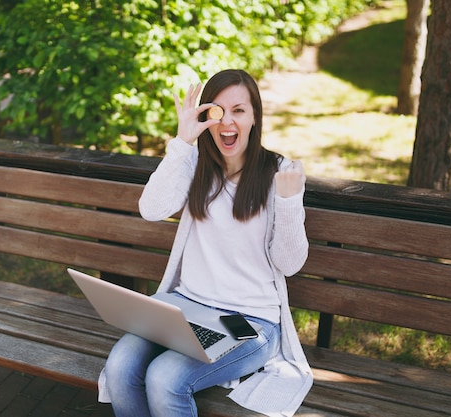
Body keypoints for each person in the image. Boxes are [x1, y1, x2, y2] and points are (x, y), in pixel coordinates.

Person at [98, 69, 313, 417]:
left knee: (165, 378)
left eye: (239, 110)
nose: (227, 122)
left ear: (255, 116)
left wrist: (288, 202)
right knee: (121, 366)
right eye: (217, 111)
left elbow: (289, 263)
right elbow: (151, 209)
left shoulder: (279, 172)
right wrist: (182, 143)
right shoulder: (197, 163)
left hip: (248, 320)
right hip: (188, 305)